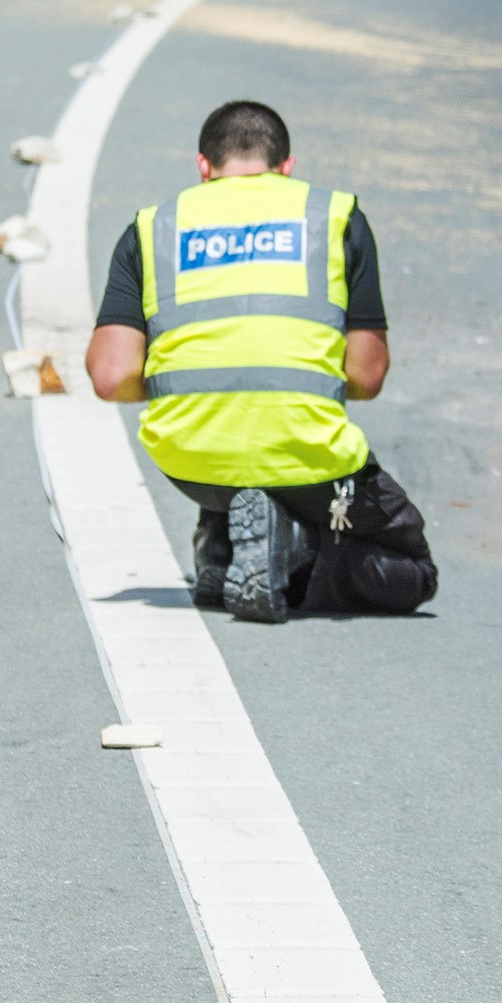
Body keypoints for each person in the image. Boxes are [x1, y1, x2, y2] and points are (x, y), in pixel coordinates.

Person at [85, 99, 437, 624]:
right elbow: (366, 375)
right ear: (287, 167)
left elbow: (112, 377)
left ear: (203, 167)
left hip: (194, 463)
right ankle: (294, 544)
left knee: (237, 455)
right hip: (307, 461)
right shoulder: (335, 216)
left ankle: (226, 544)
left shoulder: (153, 226)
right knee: (412, 569)